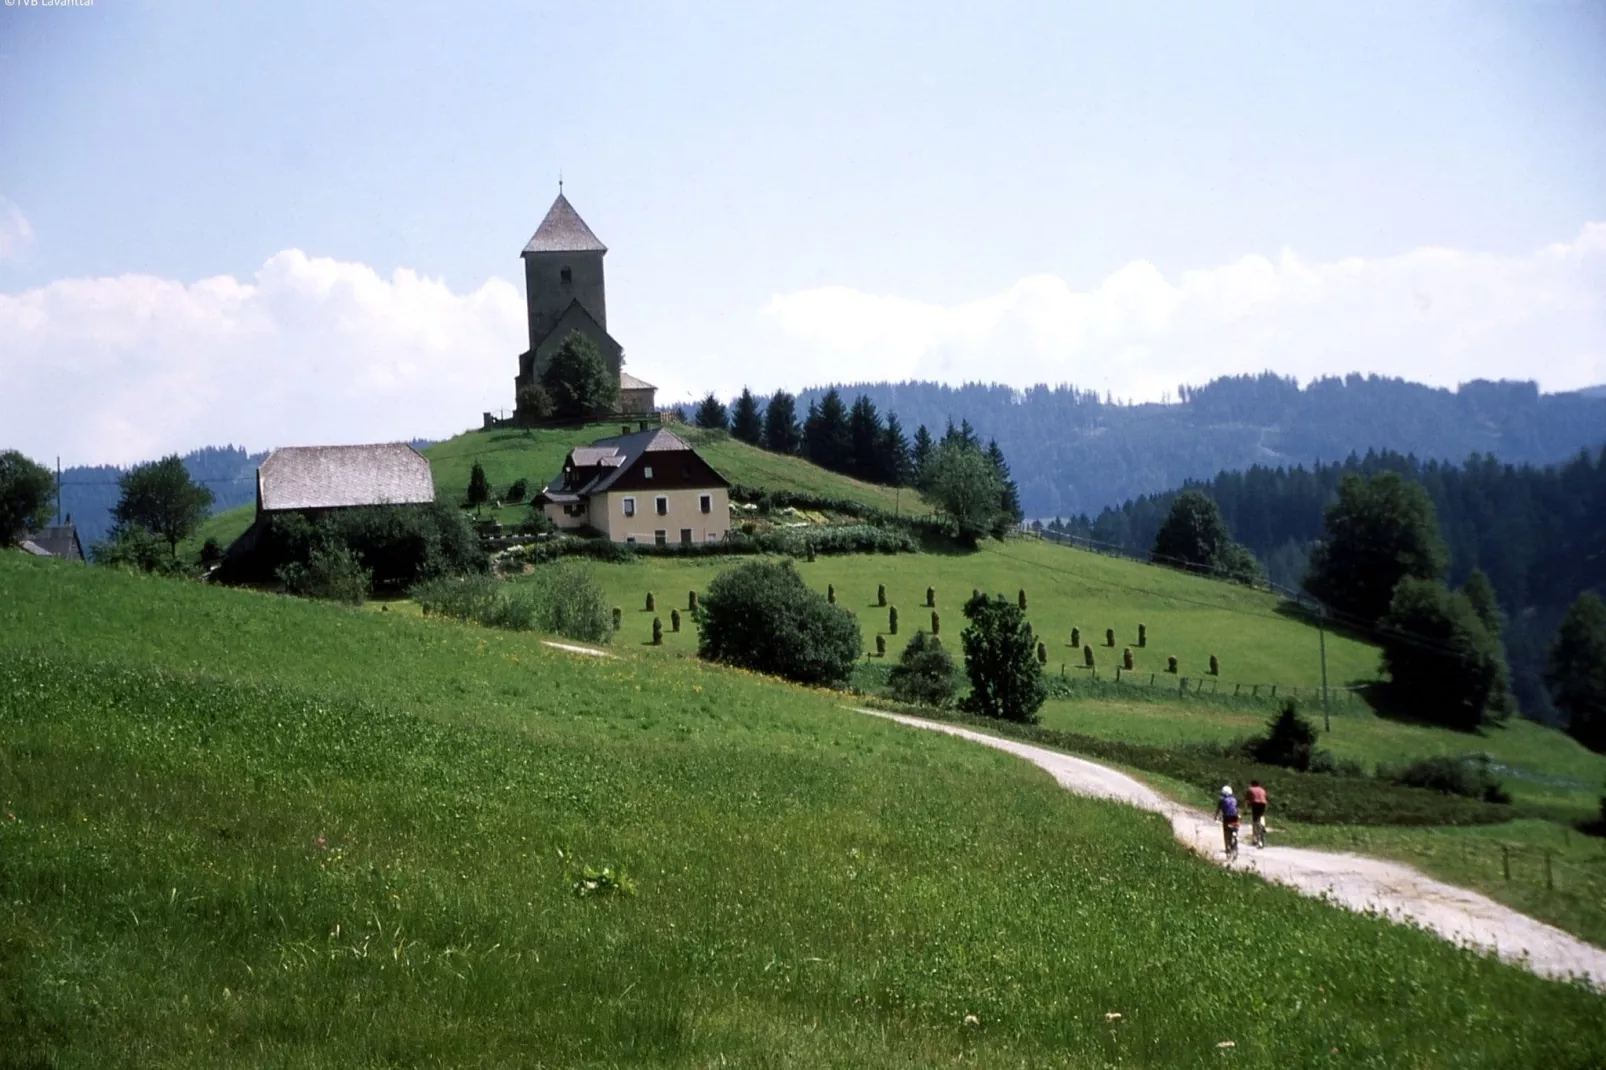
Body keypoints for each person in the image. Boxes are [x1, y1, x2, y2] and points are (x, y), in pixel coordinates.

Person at [1214, 785, 1239, 855]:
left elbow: (1218, 810)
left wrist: (1216, 817)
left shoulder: (1222, 800)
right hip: (1235, 818)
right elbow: (1237, 809)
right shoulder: (1234, 799)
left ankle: (1227, 847)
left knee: (1226, 833)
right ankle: (1235, 838)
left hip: (1227, 818)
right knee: (1235, 829)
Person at [1247, 780, 1269, 848]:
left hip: (1255, 804)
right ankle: (1263, 825)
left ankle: (1254, 839)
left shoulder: (1251, 789)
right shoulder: (1262, 790)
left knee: (1255, 821)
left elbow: (1247, 800)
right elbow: (1266, 799)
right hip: (1263, 804)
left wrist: (1246, 810)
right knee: (1261, 815)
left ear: (1252, 784)